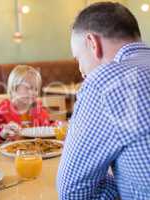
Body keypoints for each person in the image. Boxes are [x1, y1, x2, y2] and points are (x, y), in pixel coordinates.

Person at [57, 2, 150, 200]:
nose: (81, 71)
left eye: (78, 58)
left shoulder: (104, 82)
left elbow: (72, 191)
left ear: (93, 43)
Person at [0, 65, 51, 141]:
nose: (33, 92)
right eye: (28, 88)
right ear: (14, 89)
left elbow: (48, 127)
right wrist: (2, 133)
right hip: (11, 149)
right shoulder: (4, 109)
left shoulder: (39, 110)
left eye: (36, 89)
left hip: (35, 150)